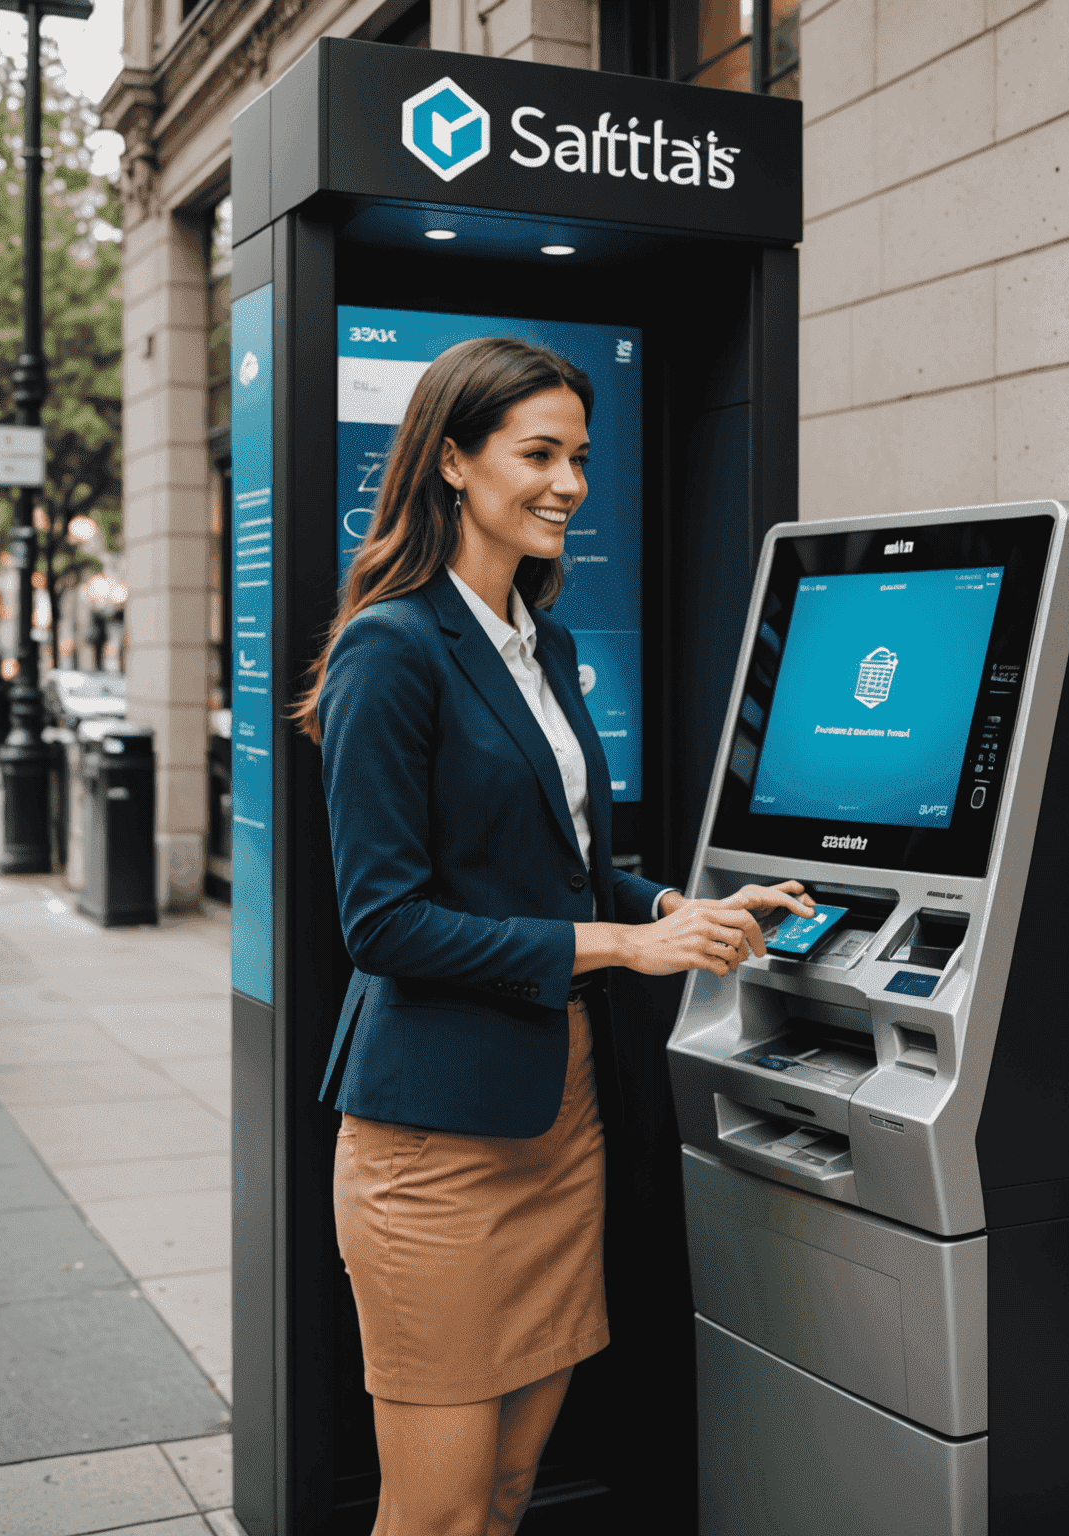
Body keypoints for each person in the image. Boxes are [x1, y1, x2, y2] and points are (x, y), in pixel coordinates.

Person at [294, 336, 813, 1536]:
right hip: (434, 1145)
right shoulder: (392, 646)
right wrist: (627, 954)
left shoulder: (544, 642)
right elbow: (385, 922)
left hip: (557, 1116)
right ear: (451, 463)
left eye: (579, 456)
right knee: (436, 1515)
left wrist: (671, 909)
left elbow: (561, 870)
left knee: (512, 1493)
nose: (568, 483)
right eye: (538, 454)